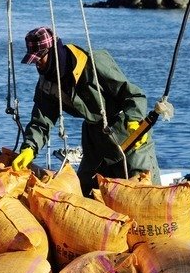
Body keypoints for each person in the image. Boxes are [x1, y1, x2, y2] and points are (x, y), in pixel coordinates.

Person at [12, 26, 161, 196]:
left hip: (130, 136)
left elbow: (133, 95)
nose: (37, 64)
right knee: (85, 192)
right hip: (95, 143)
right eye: (34, 60)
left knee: (144, 193)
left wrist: (133, 120)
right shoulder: (47, 84)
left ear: (53, 52)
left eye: (40, 58)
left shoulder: (94, 62)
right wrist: (29, 148)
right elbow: (41, 121)